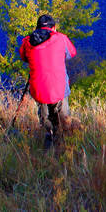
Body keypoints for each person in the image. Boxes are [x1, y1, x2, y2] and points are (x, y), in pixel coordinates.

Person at [19, 14, 77, 149]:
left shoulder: (28, 41)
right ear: (54, 28)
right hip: (59, 88)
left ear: (37, 28)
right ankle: (64, 141)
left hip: (38, 88)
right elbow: (72, 53)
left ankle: (49, 136)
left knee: (45, 115)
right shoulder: (61, 38)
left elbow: (24, 56)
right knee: (64, 116)